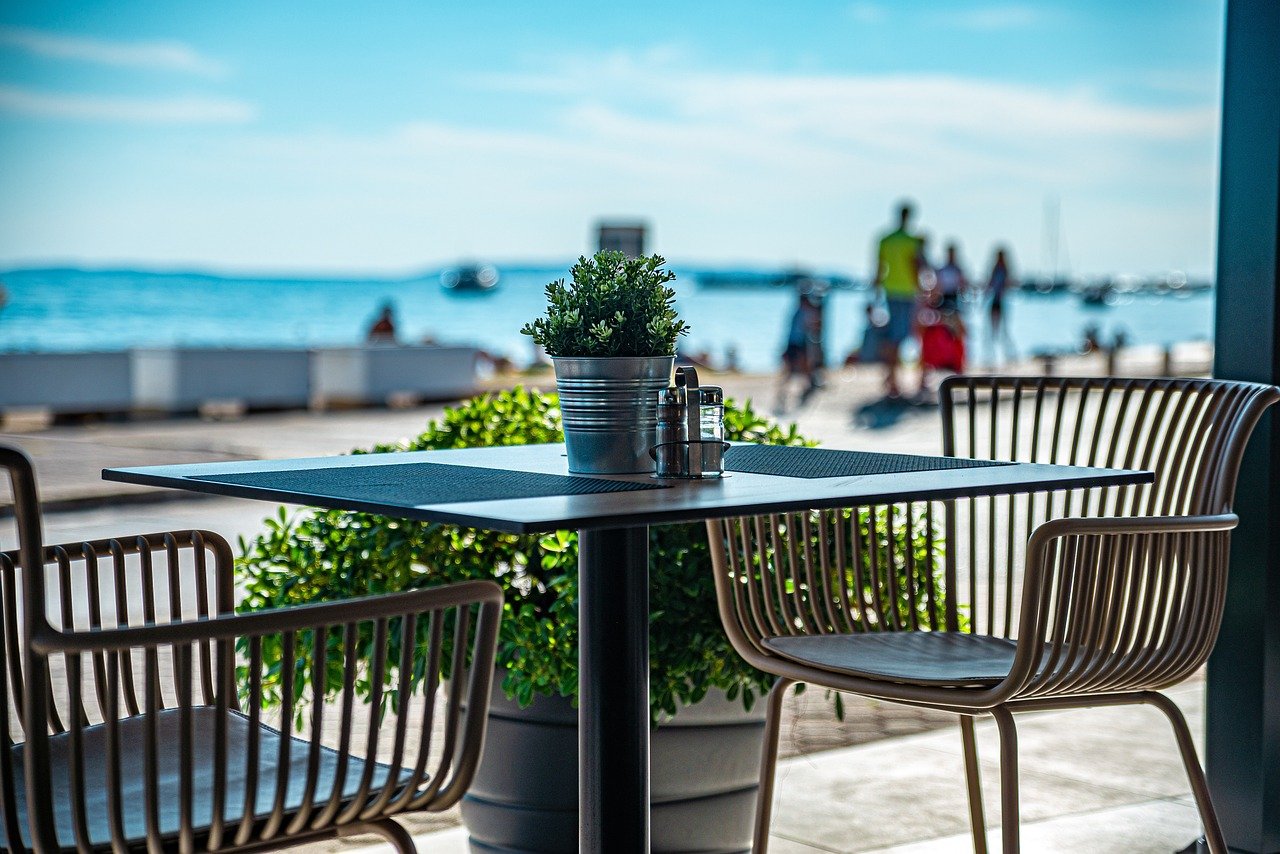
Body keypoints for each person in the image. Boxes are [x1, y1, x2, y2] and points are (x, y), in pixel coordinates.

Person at [871, 202, 925, 398]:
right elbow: (915, 266)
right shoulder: (911, 240)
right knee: (899, 336)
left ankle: (891, 377)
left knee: (894, 335)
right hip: (907, 292)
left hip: (890, 290)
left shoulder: (885, 239)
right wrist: (921, 289)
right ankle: (892, 380)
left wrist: (876, 291)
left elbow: (879, 267)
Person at [776, 288, 824, 412]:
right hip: (798, 346)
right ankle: (802, 389)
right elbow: (813, 326)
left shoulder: (798, 312)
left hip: (795, 345)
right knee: (797, 370)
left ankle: (791, 392)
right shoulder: (803, 313)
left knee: (794, 371)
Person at [985, 247, 1016, 366]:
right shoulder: (996, 270)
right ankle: (991, 356)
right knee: (992, 330)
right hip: (994, 301)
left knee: (1004, 330)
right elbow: (990, 285)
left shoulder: (1005, 270)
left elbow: (1008, 285)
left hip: (1002, 302)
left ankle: (1008, 355)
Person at [934, 242, 968, 311]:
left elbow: (963, 283)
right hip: (943, 295)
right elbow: (938, 283)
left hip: (954, 295)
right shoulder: (942, 269)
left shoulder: (958, 270)